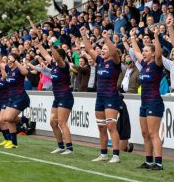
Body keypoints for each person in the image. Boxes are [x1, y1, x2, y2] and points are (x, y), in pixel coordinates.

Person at [29, 16, 74, 154]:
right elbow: (45, 54)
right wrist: (38, 44)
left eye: (54, 56)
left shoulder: (63, 65)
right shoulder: (54, 65)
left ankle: (69, 148)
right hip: (57, 97)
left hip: (65, 96)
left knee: (61, 122)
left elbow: (57, 58)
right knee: (53, 122)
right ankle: (60, 146)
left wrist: (51, 46)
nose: (51, 57)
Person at [80, 26, 121, 163]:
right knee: (101, 127)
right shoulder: (100, 61)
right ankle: (103, 154)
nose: (102, 51)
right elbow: (90, 49)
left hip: (111, 97)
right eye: (102, 49)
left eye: (105, 49)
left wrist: (106, 39)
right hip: (100, 98)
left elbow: (114, 51)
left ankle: (116, 155)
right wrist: (84, 35)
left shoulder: (115, 63)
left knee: (111, 126)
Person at [130, 27, 164, 170]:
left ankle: (159, 163)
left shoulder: (156, 64)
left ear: (153, 53)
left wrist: (156, 36)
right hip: (144, 103)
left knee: (153, 133)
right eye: (144, 51)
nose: (143, 53)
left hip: (154, 102)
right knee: (145, 134)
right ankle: (148, 161)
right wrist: (132, 37)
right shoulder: (144, 64)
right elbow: (136, 52)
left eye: (146, 51)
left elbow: (159, 53)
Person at [0, 45, 30, 149]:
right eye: (8, 59)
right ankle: (23, 122)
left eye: (10, 60)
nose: (8, 61)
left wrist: (16, 61)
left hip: (21, 97)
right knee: (5, 119)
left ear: (15, 60)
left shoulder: (19, 69)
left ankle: (14, 142)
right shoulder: (8, 69)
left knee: (8, 118)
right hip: (11, 97)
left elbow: (25, 72)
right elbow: (1, 63)